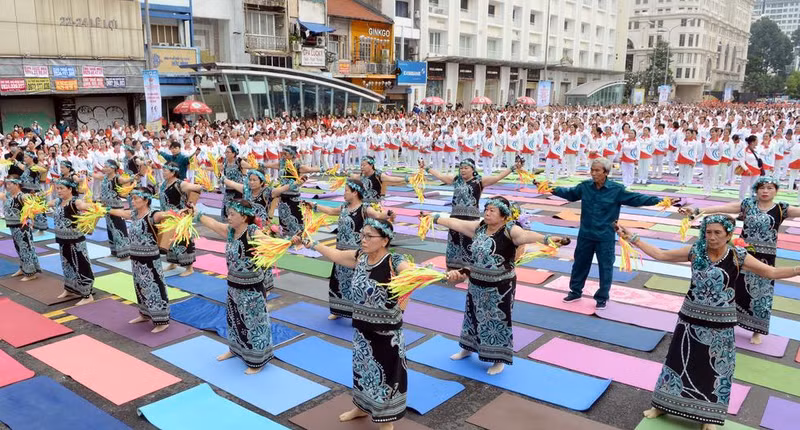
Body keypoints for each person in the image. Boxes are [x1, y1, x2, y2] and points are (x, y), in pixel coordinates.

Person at [616, 215, 800, 430]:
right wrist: (633, 238)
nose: (711, 237)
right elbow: (661, 254)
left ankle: (708, 417)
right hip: (690, 317)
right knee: (678, 362)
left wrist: (797, 270)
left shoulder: (738, 255)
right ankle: (662, 405)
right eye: (708, 232)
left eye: (717, 233)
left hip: (721, 322)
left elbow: (770, 272)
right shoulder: (695, 251)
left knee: (714, 368)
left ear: (729, 235)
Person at [295, 219, 414, 429]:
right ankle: (360, 407)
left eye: (369, 236)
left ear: (384, 240)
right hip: (361, 329)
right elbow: (336, 255)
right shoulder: (360, 257)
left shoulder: (394, 261)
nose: (363, 239)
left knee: (387, 376)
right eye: (363, 234)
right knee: (362, 371)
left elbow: (411, 275)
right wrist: (310, 243)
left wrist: (439, 276)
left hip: (386, 333)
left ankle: (385, 420)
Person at [432, 197, 568, 374]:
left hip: (500, 287)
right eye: (486, 209)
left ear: (504, 216)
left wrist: (547, 238)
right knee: (471, 316)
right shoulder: (480, 227)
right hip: (476, 283)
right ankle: (467, 348)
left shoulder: (510, 230)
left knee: (497, 321)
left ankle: (498, 360)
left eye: (492, 211)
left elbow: (526, 236)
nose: (487, 213)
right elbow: (456, 223)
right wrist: (434, 217)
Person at [679, 176, 800, 344]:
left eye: (770, 188)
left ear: (776, 191)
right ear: (756, 189)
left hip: (765, 257)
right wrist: (698, 210)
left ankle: (757, 330)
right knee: (734, 286)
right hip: (741, 252)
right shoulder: (748, 205)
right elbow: (723, 208)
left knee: (761, 292)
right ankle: (727, 321)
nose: (765, 191)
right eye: (762, 187)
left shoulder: (781, 209)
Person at [540, 157, 665, 308]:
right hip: (585, 234)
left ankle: (602, 297)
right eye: (592, 170)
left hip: (605, 236)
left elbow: (637, 198)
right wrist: (549, 188)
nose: (593, 173)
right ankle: (575, 291)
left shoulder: (616, 190)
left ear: (606, 172)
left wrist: (659, 201)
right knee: (579, 264)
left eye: (597, 171)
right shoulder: (585, 186)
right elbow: (570, 193)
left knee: (605, 267)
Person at [195, 199, 275, 374]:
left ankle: (257, 361)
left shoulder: (253, 232)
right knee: (234, 321)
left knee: (254, 324)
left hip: (251, 288)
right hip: (233, 286)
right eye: (228, 213)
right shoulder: (231, 231)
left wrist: (283, 240)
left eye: (232, 214)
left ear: (244, 217)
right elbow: (214, 224)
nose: (228, 217)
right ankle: (235, 349)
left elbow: (269, 242)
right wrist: (197, 214)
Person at [306, 179, 395, 319]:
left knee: (356, 283)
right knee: (338, 281)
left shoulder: (364, 208)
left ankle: (357, 311)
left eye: (347, 190)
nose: (344, 193)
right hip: (340, 250)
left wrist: (388, 214)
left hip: (356, 254)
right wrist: (314, 205)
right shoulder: (343, 207)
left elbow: (377, 215)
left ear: (355, 192)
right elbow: (330, 210)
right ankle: (338, 310)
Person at [420, 157, 520, 270]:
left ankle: (469, 270)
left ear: (472, 169)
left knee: (470, 243)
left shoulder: (479, 181)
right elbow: (441, 176)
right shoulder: (456, 180)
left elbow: (497, 177)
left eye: (466, 168)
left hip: (471, 219)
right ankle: (452, 269)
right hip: (455, 216)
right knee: (454, 243)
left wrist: (513, 168)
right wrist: (426, 168)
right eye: (461, 168)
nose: (463, 170)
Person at [107, 186, 171, 333]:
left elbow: (167, 215)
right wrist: (102, 209)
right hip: (136, 258)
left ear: (146, 199)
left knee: (154, 287)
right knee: (140, 287)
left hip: (150, 260)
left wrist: (181, 213)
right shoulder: (134, 214)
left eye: (136, 198)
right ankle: (144, 313)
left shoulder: (153, 215)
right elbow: (120, 212)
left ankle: (162, 320)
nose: (132, 201)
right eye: (132, 198)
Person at [50, 175, 96, 305]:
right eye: (57, 188)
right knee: (67, 264)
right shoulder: (58, 201)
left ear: (70, 189)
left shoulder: (75, 202)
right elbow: (46, 204)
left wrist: (93, 206)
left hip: (75, 240)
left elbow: (84, 205)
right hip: (62, 239)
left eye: (61, 188)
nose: (58, 191)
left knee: (81, 265)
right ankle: (69, 288)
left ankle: (87, 295)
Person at [160, 162, 204, 276]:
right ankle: (172, 263)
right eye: (163, 169)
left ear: (173, 172)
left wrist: (190, 205)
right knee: (171, 241)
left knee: (183, 241)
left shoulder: (180, 184)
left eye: (165, 170)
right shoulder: (164, 184)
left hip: (180, 217)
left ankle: (189, 268)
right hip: (168, 217)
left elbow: (198, 188)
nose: (163, 172)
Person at [223, 169, 305, 226]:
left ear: (261, 182)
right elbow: (231, 183)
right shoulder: (246, 189)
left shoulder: (267, 192)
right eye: (250, 180)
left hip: (261, 227)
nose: (251, 182)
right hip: (245, 224)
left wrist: (297, 183)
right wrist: (221, 177)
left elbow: (284, 188)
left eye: (254, 180)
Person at [1, 175, 40, 281]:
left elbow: (34, 206)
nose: (7, 186)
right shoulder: (8, 196)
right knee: (18, 248)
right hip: (13, 227)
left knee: (25, 249)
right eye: (6, 184)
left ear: (17, 184)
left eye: (10, 184)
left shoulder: (22, 196)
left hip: (23, 227)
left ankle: (31, 273)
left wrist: (32, 220)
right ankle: (23, 268)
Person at [94, 160, 131, 259]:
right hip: (106, 207)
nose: (104, 168)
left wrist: (134, 177)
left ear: (113, 168)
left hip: (116, 207)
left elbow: (125, 180)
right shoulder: (105, 178)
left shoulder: (117, 178)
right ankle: (114, 251)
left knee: (119, 229)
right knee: (110, 229)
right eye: (104, 166)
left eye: (107, 167)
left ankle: (125, 254)